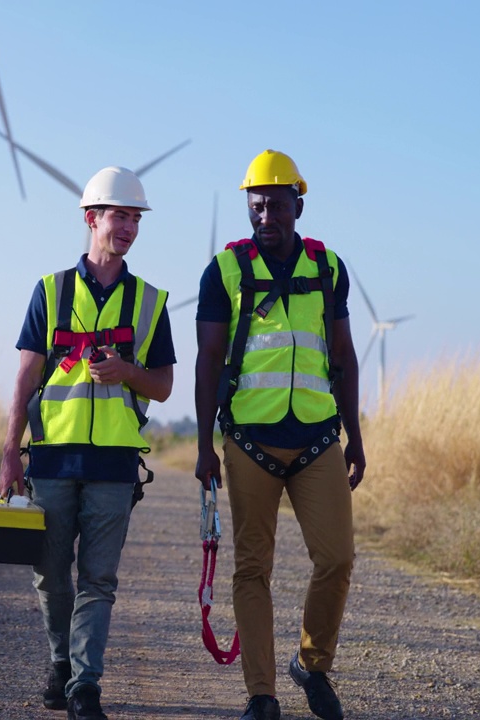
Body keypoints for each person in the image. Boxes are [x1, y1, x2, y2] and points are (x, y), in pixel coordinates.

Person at [193, 150, 365, 720]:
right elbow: (208, 360)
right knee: (252, 570)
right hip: (249, 444)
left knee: (337, 559)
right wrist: (202, 448)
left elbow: (343, 355)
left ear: (299, 202)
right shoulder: (224, 271)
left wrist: (356, 437)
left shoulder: (328, 267)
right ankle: (261, 695)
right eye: (256, 204)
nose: (265, 215)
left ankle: (311, 665)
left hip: (319, 439)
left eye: (275, 204)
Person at [0, 166, 175, 720]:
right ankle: (61, 662)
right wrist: (10, 449)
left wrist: (127, 372)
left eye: (135, 218)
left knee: (98, 579)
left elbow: (165, 386)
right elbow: (26, 378)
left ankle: (84, 687)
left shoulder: (150, 303)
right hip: (51, 460)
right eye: (118, 215)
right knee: (51, 575)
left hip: (114, 467)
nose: (127, 227)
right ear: (90, 218)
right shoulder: (49, 292)